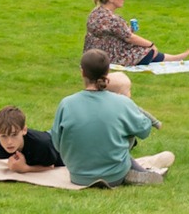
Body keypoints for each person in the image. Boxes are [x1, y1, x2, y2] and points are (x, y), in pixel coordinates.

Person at [52, 50, 163, 187]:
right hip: (114, 175)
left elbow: (56, 141)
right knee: (122, 129)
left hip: (78, 175)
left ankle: (134, 168)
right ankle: (132, 169)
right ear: (108, 71)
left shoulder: (66, 104)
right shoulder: (121, 103)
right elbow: (144, 131)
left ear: (82, 72)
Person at [84, 0, 185, 65]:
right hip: (109, 56)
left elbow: (116, 33)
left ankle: (171, 58)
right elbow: (130, 37)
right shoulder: (112, 19)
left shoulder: (96, 12)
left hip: (92, 53)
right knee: (148, 51)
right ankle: (172, 58)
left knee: (140, 48)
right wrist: (151, 44)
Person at [0, 105, 65, 173]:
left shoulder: (41, 145)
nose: (9, 142)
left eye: (14, 135)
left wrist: (25, 168)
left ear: (24, 130)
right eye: (4, 136)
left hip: (62, 144)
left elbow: (51, 166)